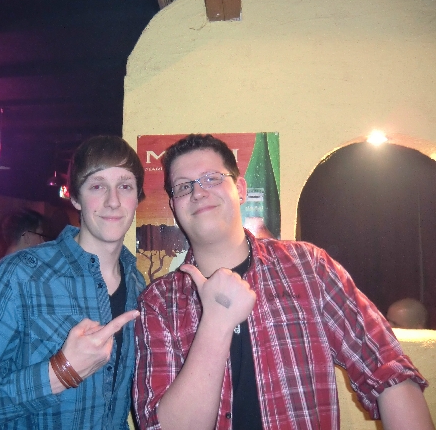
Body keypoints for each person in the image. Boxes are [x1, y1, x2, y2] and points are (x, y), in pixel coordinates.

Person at [133, 134, 434, 430]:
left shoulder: (308, 266)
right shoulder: (158, 301)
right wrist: (215, 323)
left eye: (212, 178)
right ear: (174, 205)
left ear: (240, 189)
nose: (198, 192)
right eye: (184, 186)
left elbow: (387, 369)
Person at [0, 135, 146, 429]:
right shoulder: (18, 276)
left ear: (136, 198)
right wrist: (60, 373)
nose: (113, 200)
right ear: (75, 197)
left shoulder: (137, 284)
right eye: (97, 186)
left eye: (125, 186)